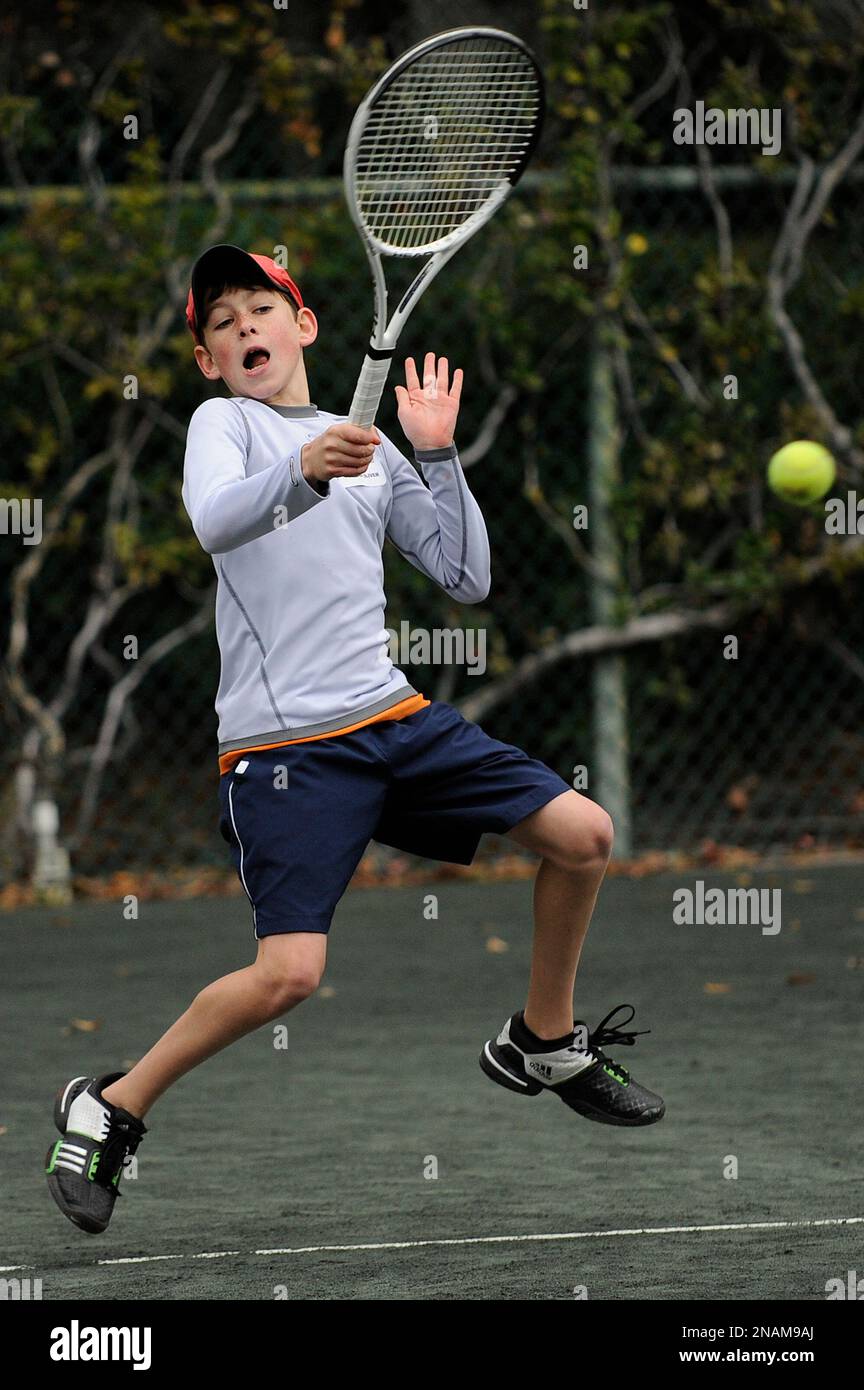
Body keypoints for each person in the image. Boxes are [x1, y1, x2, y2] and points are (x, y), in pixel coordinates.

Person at [45, 245, 664, 1235]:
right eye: (222, 323)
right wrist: (303, 467)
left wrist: (436, 453)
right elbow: (214, 521)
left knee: (585, 834)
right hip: (286, 749)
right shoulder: (225, 424)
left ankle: (543, 1038)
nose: (244, 328)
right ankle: (110, 1105)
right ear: (206, 358)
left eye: (261, 308)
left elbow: (465, 576)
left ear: (306, 328)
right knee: (288, 973)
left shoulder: (361, 450)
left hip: (392, 719)